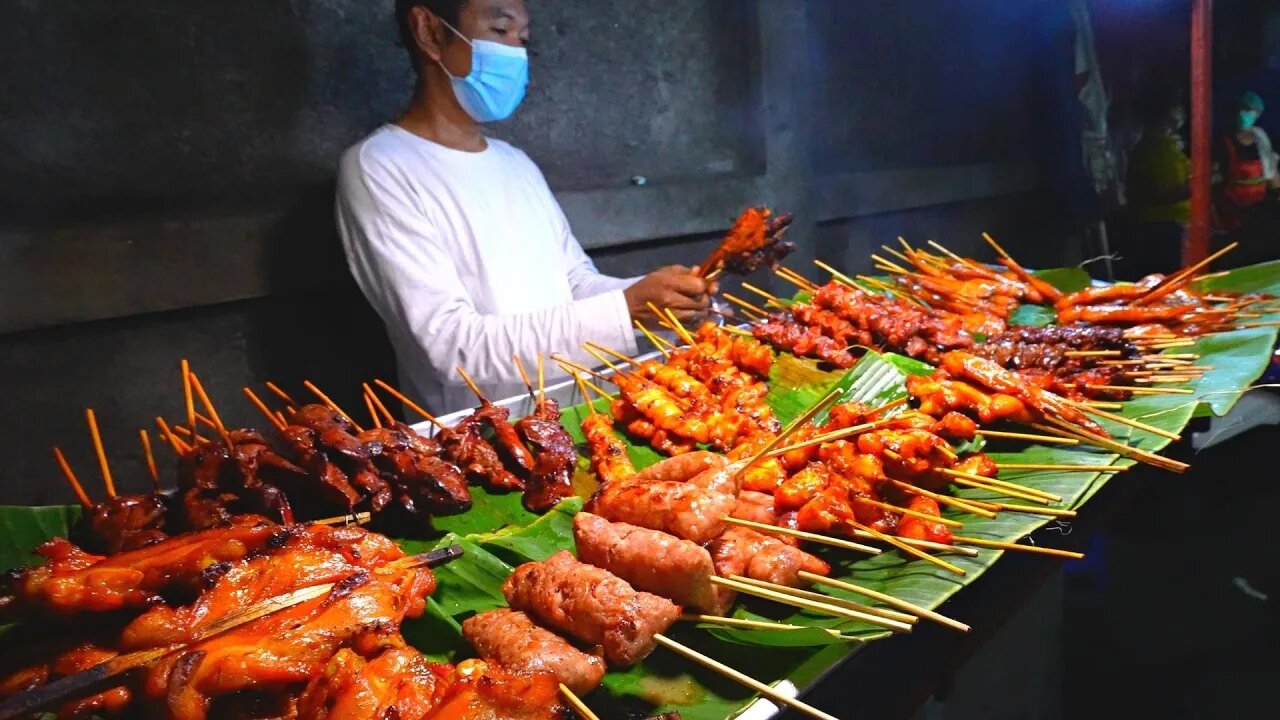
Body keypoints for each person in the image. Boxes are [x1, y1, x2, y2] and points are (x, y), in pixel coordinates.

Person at [335, 0, 714, 414]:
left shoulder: (516, 163)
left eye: (523, 40)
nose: (514, 53)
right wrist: (626, 311)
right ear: (428, 31)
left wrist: (661, 299)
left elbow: (574, 285)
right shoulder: (379, 167)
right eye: (499, 32)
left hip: (579, 417)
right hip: (486, 445)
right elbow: (452, 346)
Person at [1119, 86, 1190, 278]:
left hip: (1166, 228)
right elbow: (1163, 194)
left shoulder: (1163, 145)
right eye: (1175, 107)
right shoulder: (1155, 149)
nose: (1179, 112)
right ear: (1165, 112)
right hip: (1162, 231)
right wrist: (1197, 185)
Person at [1216, 91, 1279, 231]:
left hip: (1260, 210)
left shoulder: (1262, 139)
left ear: (1257, 114)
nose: (1242, 113)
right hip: (1233, 211)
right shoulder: (1224, 142)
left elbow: (1272, 173)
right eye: (1241, 108)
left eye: (1248, 109)